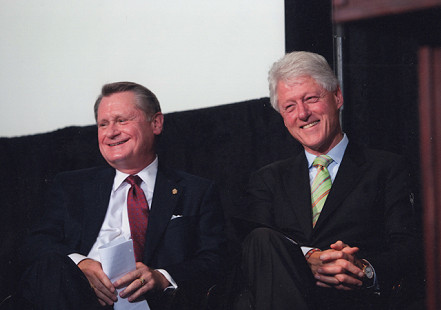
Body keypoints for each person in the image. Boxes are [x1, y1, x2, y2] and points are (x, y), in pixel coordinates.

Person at [15, 82, 225, 310]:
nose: (111, 132)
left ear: (155, 123)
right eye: (103, 124)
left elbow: (216, 259)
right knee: (52, 267)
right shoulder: (71, 186)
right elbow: (35, 244)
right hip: (76, 299)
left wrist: (162, 276)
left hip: (148, 303)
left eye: (122, 120)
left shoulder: (196, 191)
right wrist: (81, 263)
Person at [233, 51, 418, 310]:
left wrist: (362, 269)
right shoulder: (267, 180)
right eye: (290, 106)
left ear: (337, 97)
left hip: (354, 300)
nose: (303, 113)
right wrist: (309, 257)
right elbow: (255, 253)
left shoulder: (386, 167)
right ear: (283, 118)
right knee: (260, 238)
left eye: (311, 99)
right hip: (282, 297)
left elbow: (408, 246)